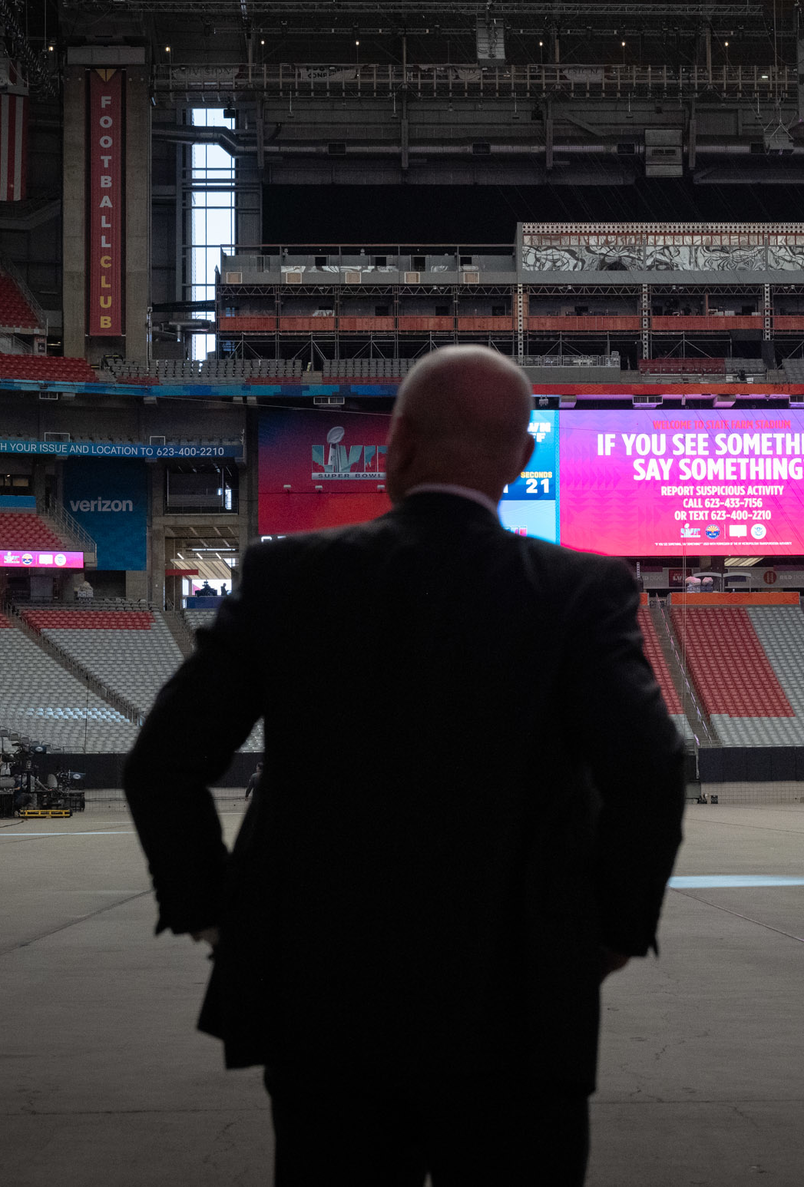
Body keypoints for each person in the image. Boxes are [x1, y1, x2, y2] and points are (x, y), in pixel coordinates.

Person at [124, 345, 686, 1186]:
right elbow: (650, 770)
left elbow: (162, 764)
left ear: (397, 444)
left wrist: (214, 912)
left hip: (325, 1010)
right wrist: (610, 931)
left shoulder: (288, 578)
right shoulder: (581, 592)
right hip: (520, 1011)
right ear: (523, 458)